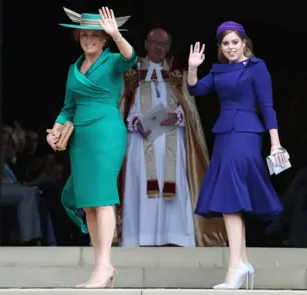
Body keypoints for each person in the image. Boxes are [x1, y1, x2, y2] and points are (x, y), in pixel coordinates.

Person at [187, 21, 287, 289]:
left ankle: (236, 265)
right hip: (224, 136)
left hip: (247, 135)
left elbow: (267, 106)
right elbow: (195, 89)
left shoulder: (257, 67)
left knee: (230, 194)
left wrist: (275, 144)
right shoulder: (219, 71)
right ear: (221, 47)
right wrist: (193, 67)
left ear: (244, 43)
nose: (230, 47)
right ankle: (241, 260)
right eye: (225, 43)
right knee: (232, 195)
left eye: (234, 42)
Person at [46, 7, 137, 288]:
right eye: (84, 35)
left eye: (94, 36)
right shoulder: (74, 69)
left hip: (106, 132)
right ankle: (102, 265)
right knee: (88, 204)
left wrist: (116, 35)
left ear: (104, 39)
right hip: (81, 138)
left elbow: (130, 57)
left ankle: (104, 264)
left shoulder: (112, 61)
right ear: (79, 38)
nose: (89, 40)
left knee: (102, 197)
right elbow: (67, 107)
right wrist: (55, 131)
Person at [116, 28, 227, 247]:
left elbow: (190, 109)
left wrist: (178, 116)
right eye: (154, 43)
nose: (159, 48)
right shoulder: (131, 72)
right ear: (146, 44)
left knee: (173, 188)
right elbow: (122, 104)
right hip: (139, 142)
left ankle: (175, 235)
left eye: (164, 44)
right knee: (140, 188)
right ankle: (138, 237)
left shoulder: (177, 73)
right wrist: (135, 121)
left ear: (168, 47)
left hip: (173, 140)